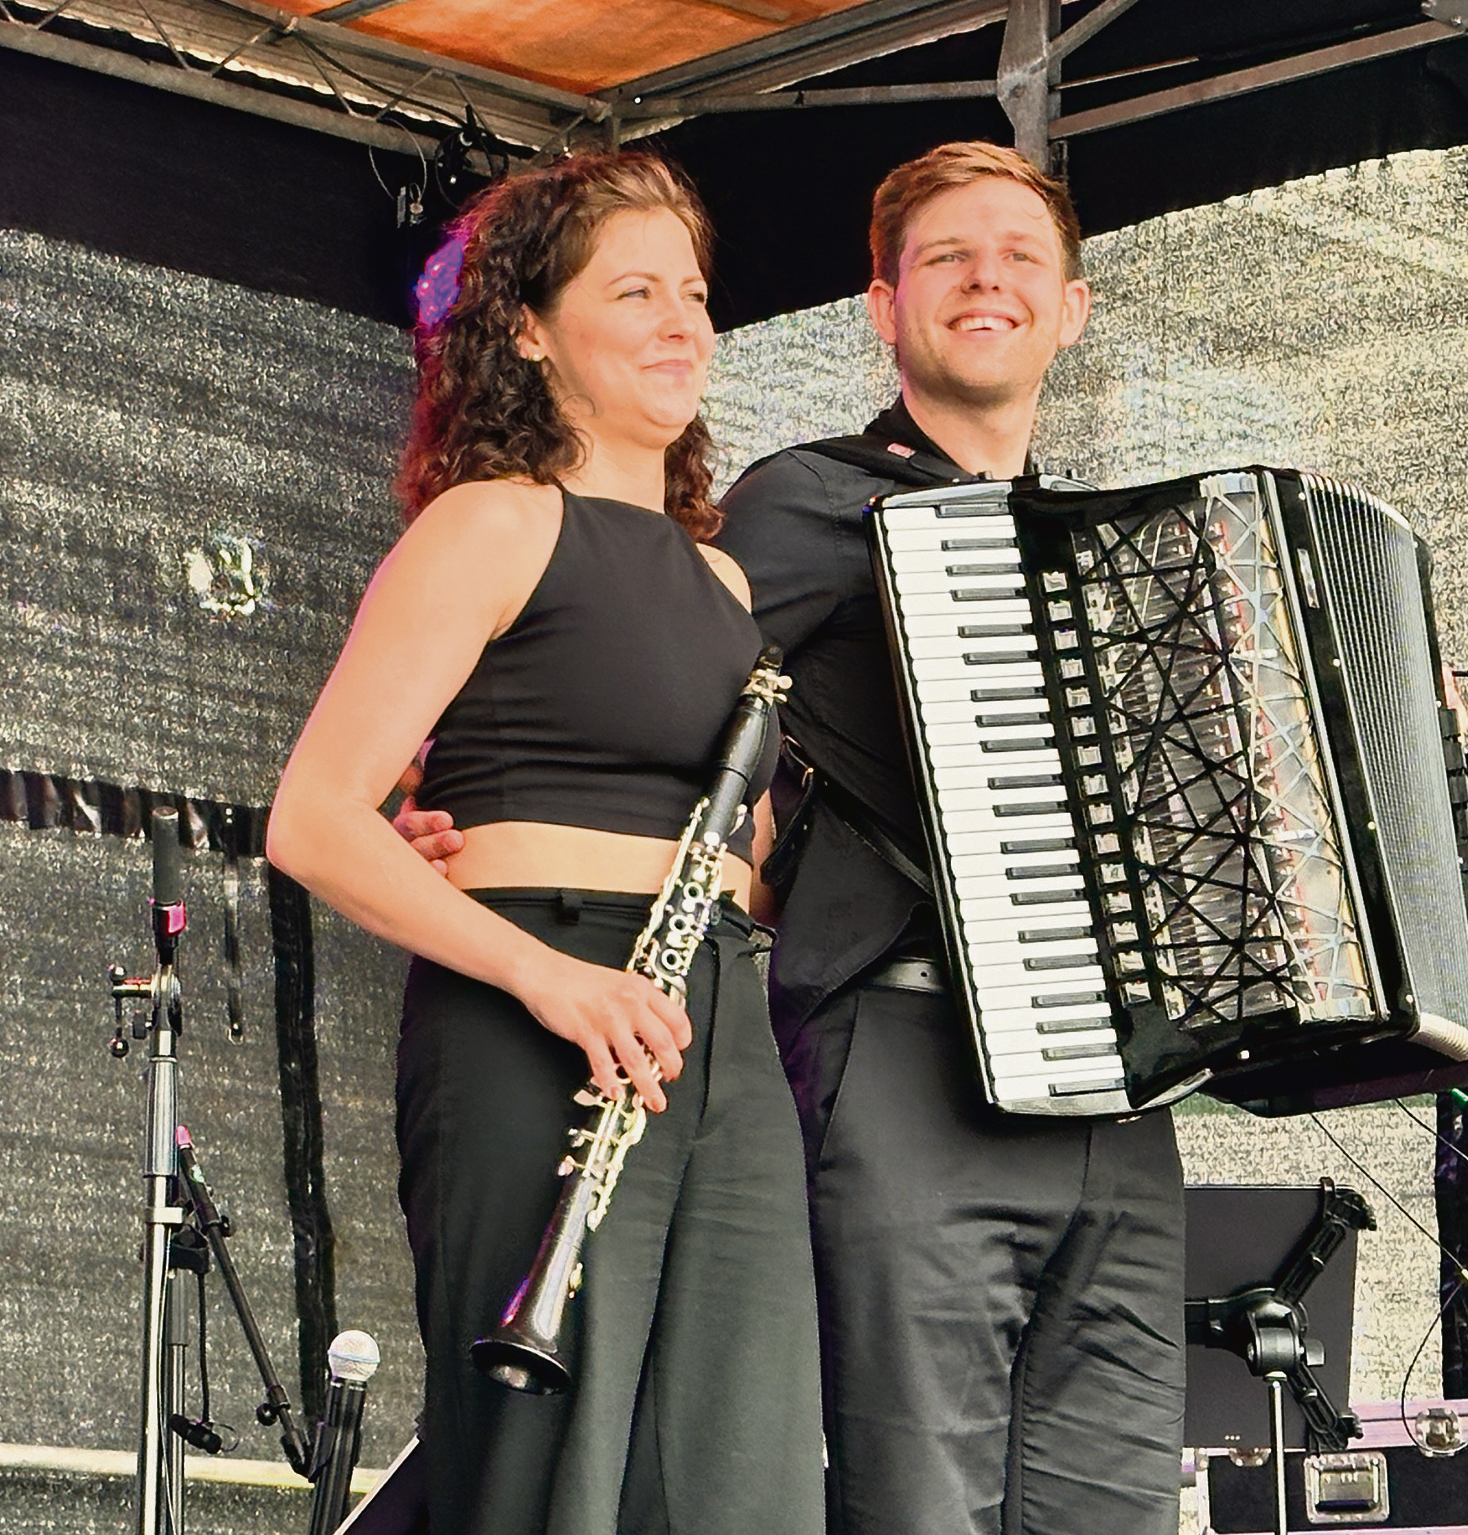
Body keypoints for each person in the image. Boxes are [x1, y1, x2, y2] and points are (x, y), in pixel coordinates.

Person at [400, 141, 1183, 1535]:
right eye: (946, 257)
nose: (986, 281)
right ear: (880, 307)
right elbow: (611, 676)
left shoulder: (1109, 554)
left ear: (1073, 308)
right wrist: (436, 789)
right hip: (894, 1048)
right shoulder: (804, 506)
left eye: (1020, 258)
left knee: (1103, 1503)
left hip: (1101, 1080)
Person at [268, 150, 823, 1535]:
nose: (681, 324)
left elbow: (750, 864)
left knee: (741, 1481)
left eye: (691, 294)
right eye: (634, 293)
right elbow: (314, 820)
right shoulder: (491, 525)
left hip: (715, 1028)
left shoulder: (721, 577)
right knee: (543, 1474)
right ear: (527, 328)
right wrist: (549, 978)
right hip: (543, 1016)